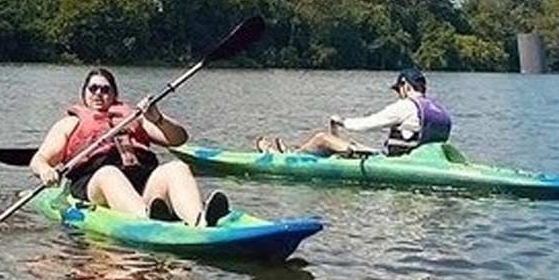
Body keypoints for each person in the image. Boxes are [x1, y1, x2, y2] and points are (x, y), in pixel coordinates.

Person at [29, 67, 230, 227]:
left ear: (114, 95)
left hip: (141, 182)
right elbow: (39, 159)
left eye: (105, 89)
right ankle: (146, 220)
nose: (98, 93)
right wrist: (46, 170)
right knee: (109, 173)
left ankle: (199, 220)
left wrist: (157, 118)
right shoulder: (70, 124)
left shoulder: (133, 118)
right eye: (93, 88)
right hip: (95, 184)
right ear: (84, 93)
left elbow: (178, 139)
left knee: (177, 167)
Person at [262, 68, 453, 157]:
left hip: (396, 164)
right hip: (416, 161)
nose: (398, 94)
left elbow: (366, 124)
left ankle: (288, 158)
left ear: (405, 85)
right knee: (348, 144)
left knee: (322, 138)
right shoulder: (439, 111)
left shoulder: (405, 106)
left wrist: (342, 122)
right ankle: (299, 151)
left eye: (398, 89)